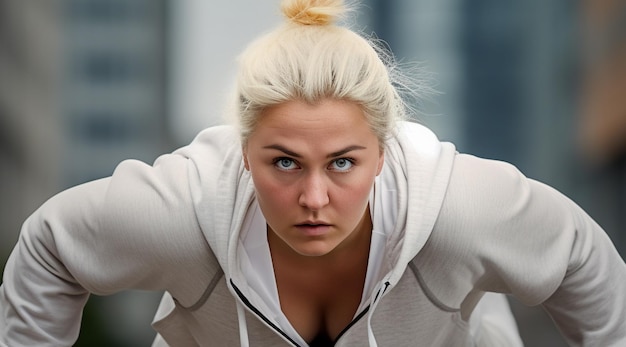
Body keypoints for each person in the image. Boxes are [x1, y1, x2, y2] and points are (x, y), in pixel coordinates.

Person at [1, 0, 625, 346]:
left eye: (344, 163)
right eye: (284, 163)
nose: (314, 197)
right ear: (244, 155)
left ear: (384, 153)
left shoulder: (459, 210)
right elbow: (49, 246)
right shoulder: (181, 210)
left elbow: (583, 261)